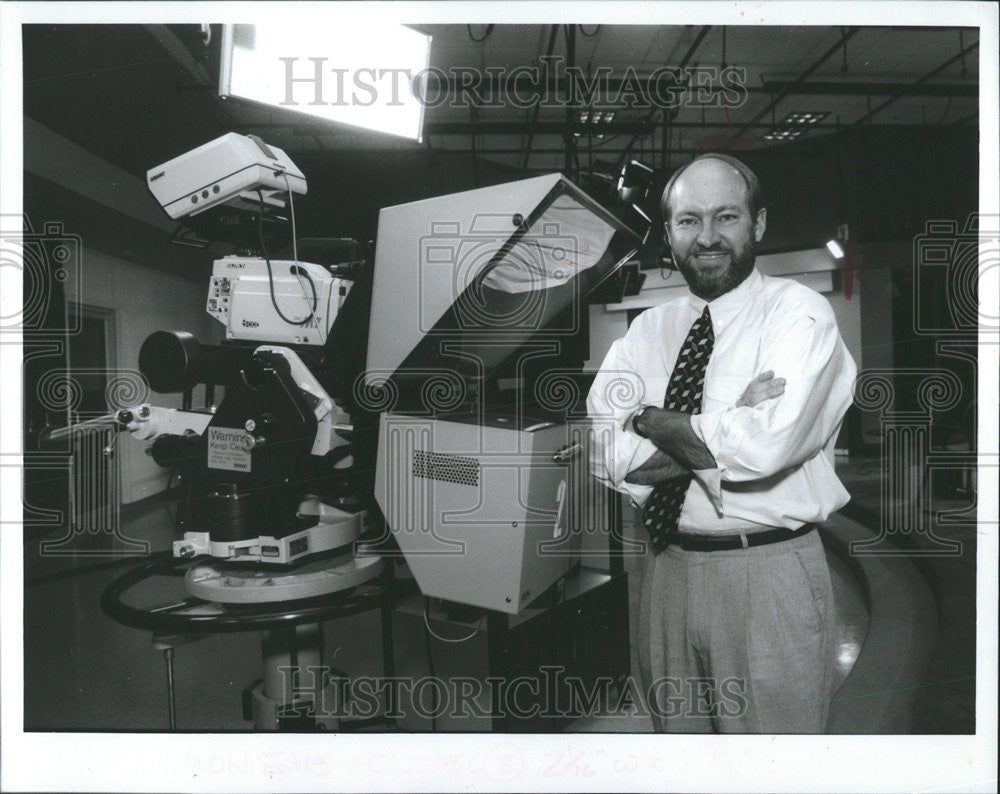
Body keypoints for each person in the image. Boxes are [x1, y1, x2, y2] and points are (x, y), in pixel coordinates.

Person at [586, 153, 856, 733]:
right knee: (679, 757)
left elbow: (766, 448)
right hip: (664, 568)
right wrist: (727, 421)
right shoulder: (646, 332)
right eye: (688, 221)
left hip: (766, 574)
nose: (706, 237)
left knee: (770, 766)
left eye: (726, 217)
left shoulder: (800, 316)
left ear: (757, 224)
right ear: (668, 233)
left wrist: (650, 419)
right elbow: (607, 453)